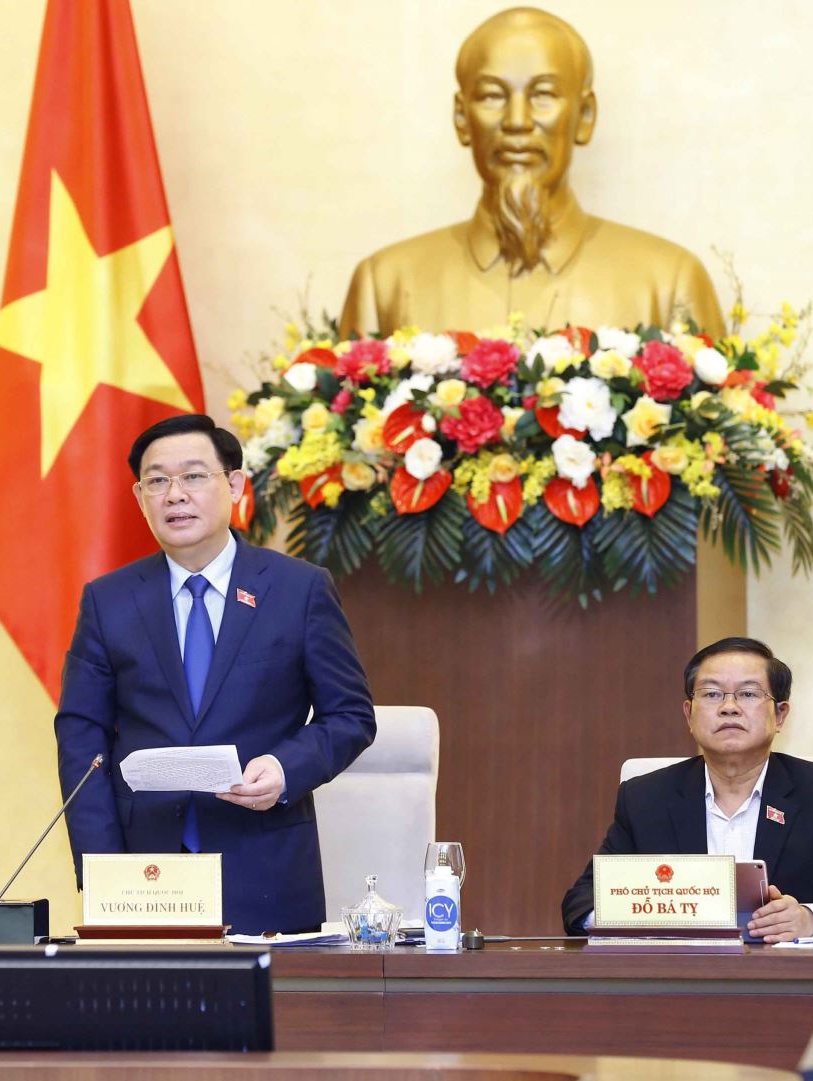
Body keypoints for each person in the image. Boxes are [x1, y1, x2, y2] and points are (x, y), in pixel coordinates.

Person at [54, 414, 377, 934]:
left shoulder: (299, 589)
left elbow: (350, 716)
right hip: (144, 876)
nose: (174, 494)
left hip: (265, 867)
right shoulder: (108, 601)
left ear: (235, 484)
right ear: (140, 498)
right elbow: (81, 737)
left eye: (193, 476)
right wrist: (102, 869)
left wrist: (285, 768)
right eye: (157, 481)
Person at [340, 6, 725, 338]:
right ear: (461, 117)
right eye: (492, 95)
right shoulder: (386, 284)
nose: (517, 121)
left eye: (543, 95)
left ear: (584, 116)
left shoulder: (668, 283)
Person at [560, 638, 813, 941]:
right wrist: (653, 917)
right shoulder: (645, 798)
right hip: (680, 976)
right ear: (689, 714)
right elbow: (582, 903)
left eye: (748, 694)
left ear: (780, 715)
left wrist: (810, 920)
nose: (729, 707)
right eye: (712, 694)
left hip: (791, 977)